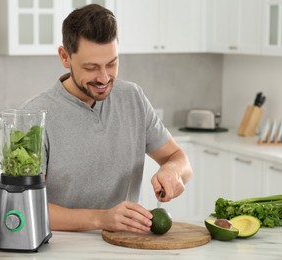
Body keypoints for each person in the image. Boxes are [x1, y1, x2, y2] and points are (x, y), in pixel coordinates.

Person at [20, 4, 192, 233]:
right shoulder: (32, 118)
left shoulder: (133, 98)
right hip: (60, 248)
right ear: (64, 56)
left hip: (126, 244)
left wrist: (173, 171)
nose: (103, 77)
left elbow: (178, 158)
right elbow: (26, 207)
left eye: (111, 64)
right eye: (91, 67)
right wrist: (102, 219)